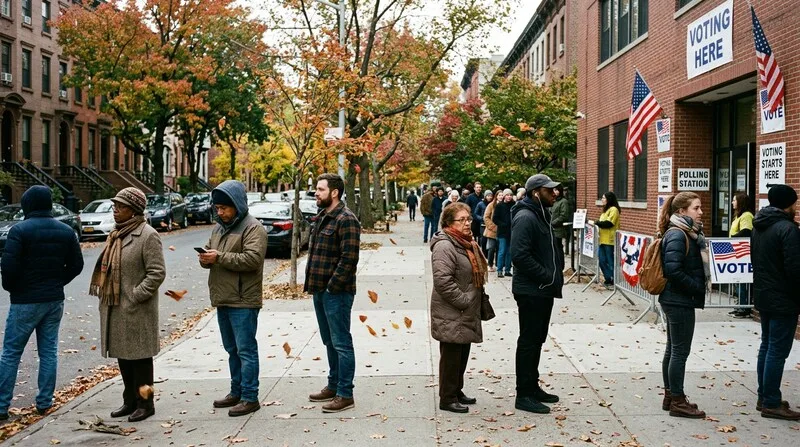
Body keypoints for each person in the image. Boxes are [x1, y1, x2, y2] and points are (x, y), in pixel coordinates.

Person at [0, 186, 83, 420]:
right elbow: (76, 265)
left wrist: (14, 288)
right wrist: (57, 282)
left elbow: (8, 267)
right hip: (54, 299)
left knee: (11, 353)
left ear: (27, 204)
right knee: (48, 352)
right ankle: (45, 402)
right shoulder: (66, 231)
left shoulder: (19, 231)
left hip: (25, 300)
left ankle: (1, 405)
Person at [92, 187, 165, 422]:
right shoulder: (116, 234)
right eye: (115, 206)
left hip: (137, 309)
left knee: (141, 360)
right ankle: (130, 401)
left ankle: (146, 403)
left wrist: (136, 295)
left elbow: (157, 272)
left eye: (120, 206)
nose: (115, 210)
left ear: (133, 210)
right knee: (124, 357)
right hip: (115, 307)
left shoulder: (148, 235)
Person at [200, 180, 268, 417]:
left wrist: (218, 257)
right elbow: (211, 251)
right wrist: (206, 259)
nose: (220, 212)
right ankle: (236, 391)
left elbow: (252, 260)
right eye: (217, 208)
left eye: (224, 208)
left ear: (237, 205)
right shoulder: (219, 228)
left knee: (245, 350)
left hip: (243, 299)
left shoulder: (253, 228)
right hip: (223, 297)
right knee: (232, 350)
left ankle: (250, 396)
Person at [305, 173, 361, 413]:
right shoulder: (322, 217)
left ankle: (345, 394)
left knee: (341, 342)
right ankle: (334, 384)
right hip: (319, 290)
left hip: (336, 293)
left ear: (334, 192)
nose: (316, 193)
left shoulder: (346, 219)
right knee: (329, 340)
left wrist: (331, 287)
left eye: (320, 189)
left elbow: (349, 259)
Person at [510, 174, 564, 414]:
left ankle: (532, 386)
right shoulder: (525, 217)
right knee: (529, 341)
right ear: (535, 193)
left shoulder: (541, 214)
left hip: (542, 290)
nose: (555, 193)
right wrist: (545, 276)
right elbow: (519, 256)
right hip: (532, 290)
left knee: (537, 340)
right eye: (549, 190)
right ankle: (523, 394)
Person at [430, 202, 488, 413]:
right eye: (461, 220)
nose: (467, 223)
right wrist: (464, 301)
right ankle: (447, 398)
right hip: (452, 311)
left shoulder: (465, 243)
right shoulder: (445, 246)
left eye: (468, 219)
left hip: (464, 312)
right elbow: (442, 281)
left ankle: (456, 390)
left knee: (461, 353)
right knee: (451, 356)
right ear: (448, 222)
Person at [751, 184, 800, 420]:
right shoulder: (788, 229)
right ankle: (771, 401)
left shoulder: (759, 225)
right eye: (795, 203)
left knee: (767, 346)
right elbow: (795, 268)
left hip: (764, 295)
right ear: (788, 204)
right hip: (783, 298)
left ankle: (764, 396)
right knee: (777, 351)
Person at [657, 192, 707, 419]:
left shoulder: (684, 232)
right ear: (681, 211)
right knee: (679, 351)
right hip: (678, 300)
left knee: (673, 349)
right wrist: (697, 286)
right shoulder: (678, 234)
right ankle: (677, 400)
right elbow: (673, 270)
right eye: (696, 208)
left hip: (676, 299)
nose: (701, 212)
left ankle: (671, 396)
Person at [729, 192, 754, 318]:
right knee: (737, 281)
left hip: (741, 253)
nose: (732, 202)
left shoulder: (747, 215)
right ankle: (739, 305)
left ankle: (744, 307)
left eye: (734, 200)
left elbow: (746, 231)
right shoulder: (738, 216)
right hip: (735, 252)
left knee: (741, 281)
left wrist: (732, 238)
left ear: (741, 202)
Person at [596, 192, 620, 289]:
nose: (602, 200)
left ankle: (614, 279)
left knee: (610, 261)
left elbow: (608, 223)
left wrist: (597, 223)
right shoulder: (605, 211)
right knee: (601, 260)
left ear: (609, 199)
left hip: (610, 240)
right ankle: (608, 278)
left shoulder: (614, 210)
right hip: (602, 239)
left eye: (603, 198)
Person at [494, 189, 514, 277]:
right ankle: (499, 270)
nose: (509, 197)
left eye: (510, 195)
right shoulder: (499, 206)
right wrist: (503, 224)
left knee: (509, 252)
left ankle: (507, 270)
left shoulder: (514, 205)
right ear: (504, 196)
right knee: (502, 251)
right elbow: (495, 218)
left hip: (511, 231)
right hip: (502, 232)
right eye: (507, 195)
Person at [483, 190, 503, 272]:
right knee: (491, 248)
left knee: (500, 248)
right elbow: (486, 217)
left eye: (502, 195)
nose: (501, 197)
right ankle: (490, 264)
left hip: (502, 230)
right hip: (492, 231)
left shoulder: (504, 205)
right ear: (496, 196)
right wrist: (493, 227)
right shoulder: (491, 205)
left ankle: (499, 264)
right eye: (499, 195)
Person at [550, 186, 571, 255]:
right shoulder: (553, 201)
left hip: (559, 229)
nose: (555, 192)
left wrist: (553, 223)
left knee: (558, 248)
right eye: (553, 190)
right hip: (551, 229)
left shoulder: (563, 201)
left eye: (556, 190)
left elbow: (564, 216)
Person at [474, 190, 493, 255]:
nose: (490, 197)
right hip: (483, 224)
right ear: (485, 196)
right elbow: (476, 214)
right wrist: (481, 218)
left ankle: (489, 254)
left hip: (491, 224)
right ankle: (484, 254)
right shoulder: (480, 204)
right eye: (488, 196)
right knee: (483, 240)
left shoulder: (493, 204)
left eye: (491, 196)